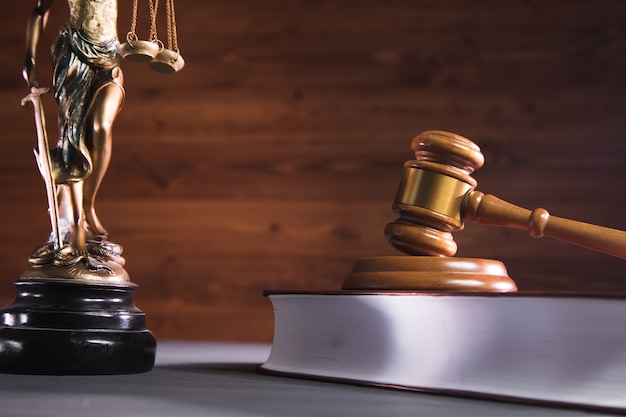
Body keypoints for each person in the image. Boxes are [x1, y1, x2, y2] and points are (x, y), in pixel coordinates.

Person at [24, 0, 126, 279]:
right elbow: (40, 9)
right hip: (73, 55)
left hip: (110, 56)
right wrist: (29, 58)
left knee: (102, 127)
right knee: (73, 136)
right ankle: (76, 221)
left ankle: (88, 205)